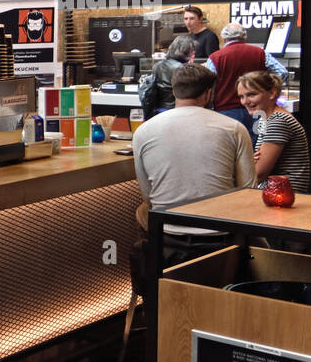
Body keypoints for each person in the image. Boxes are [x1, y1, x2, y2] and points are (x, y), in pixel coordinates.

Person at [132, 64, 256, 269]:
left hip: (166, 240)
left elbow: (147, 194)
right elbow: (248, 191)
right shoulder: (233, 129)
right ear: (209, 93)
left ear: (174, 91)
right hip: (223, 241)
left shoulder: (144, 131)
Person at [206, 22, 288, 142]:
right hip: (259, 111)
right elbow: (282, 72)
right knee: (259, 143)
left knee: (231, 146)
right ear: (244, 36)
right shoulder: (260, 53)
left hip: (226, 111)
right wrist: (267, 88)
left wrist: (210, 108)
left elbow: (209, 84)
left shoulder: (215, 57)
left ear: (223, 38)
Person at [237, 71, 309, 193]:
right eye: (241, 97)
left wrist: (244, 165)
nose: (245, 101)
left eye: (251, 95)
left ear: (272, 93)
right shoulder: (265, 119)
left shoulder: (278, 121)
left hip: (282, 196)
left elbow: (258, 174)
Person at [139, 34, 194, 116]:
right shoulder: (182, 68)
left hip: (160, 108)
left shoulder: (157, 65)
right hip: (176, 109)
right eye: (192, 51)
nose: (193, 54)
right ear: (186, 51)